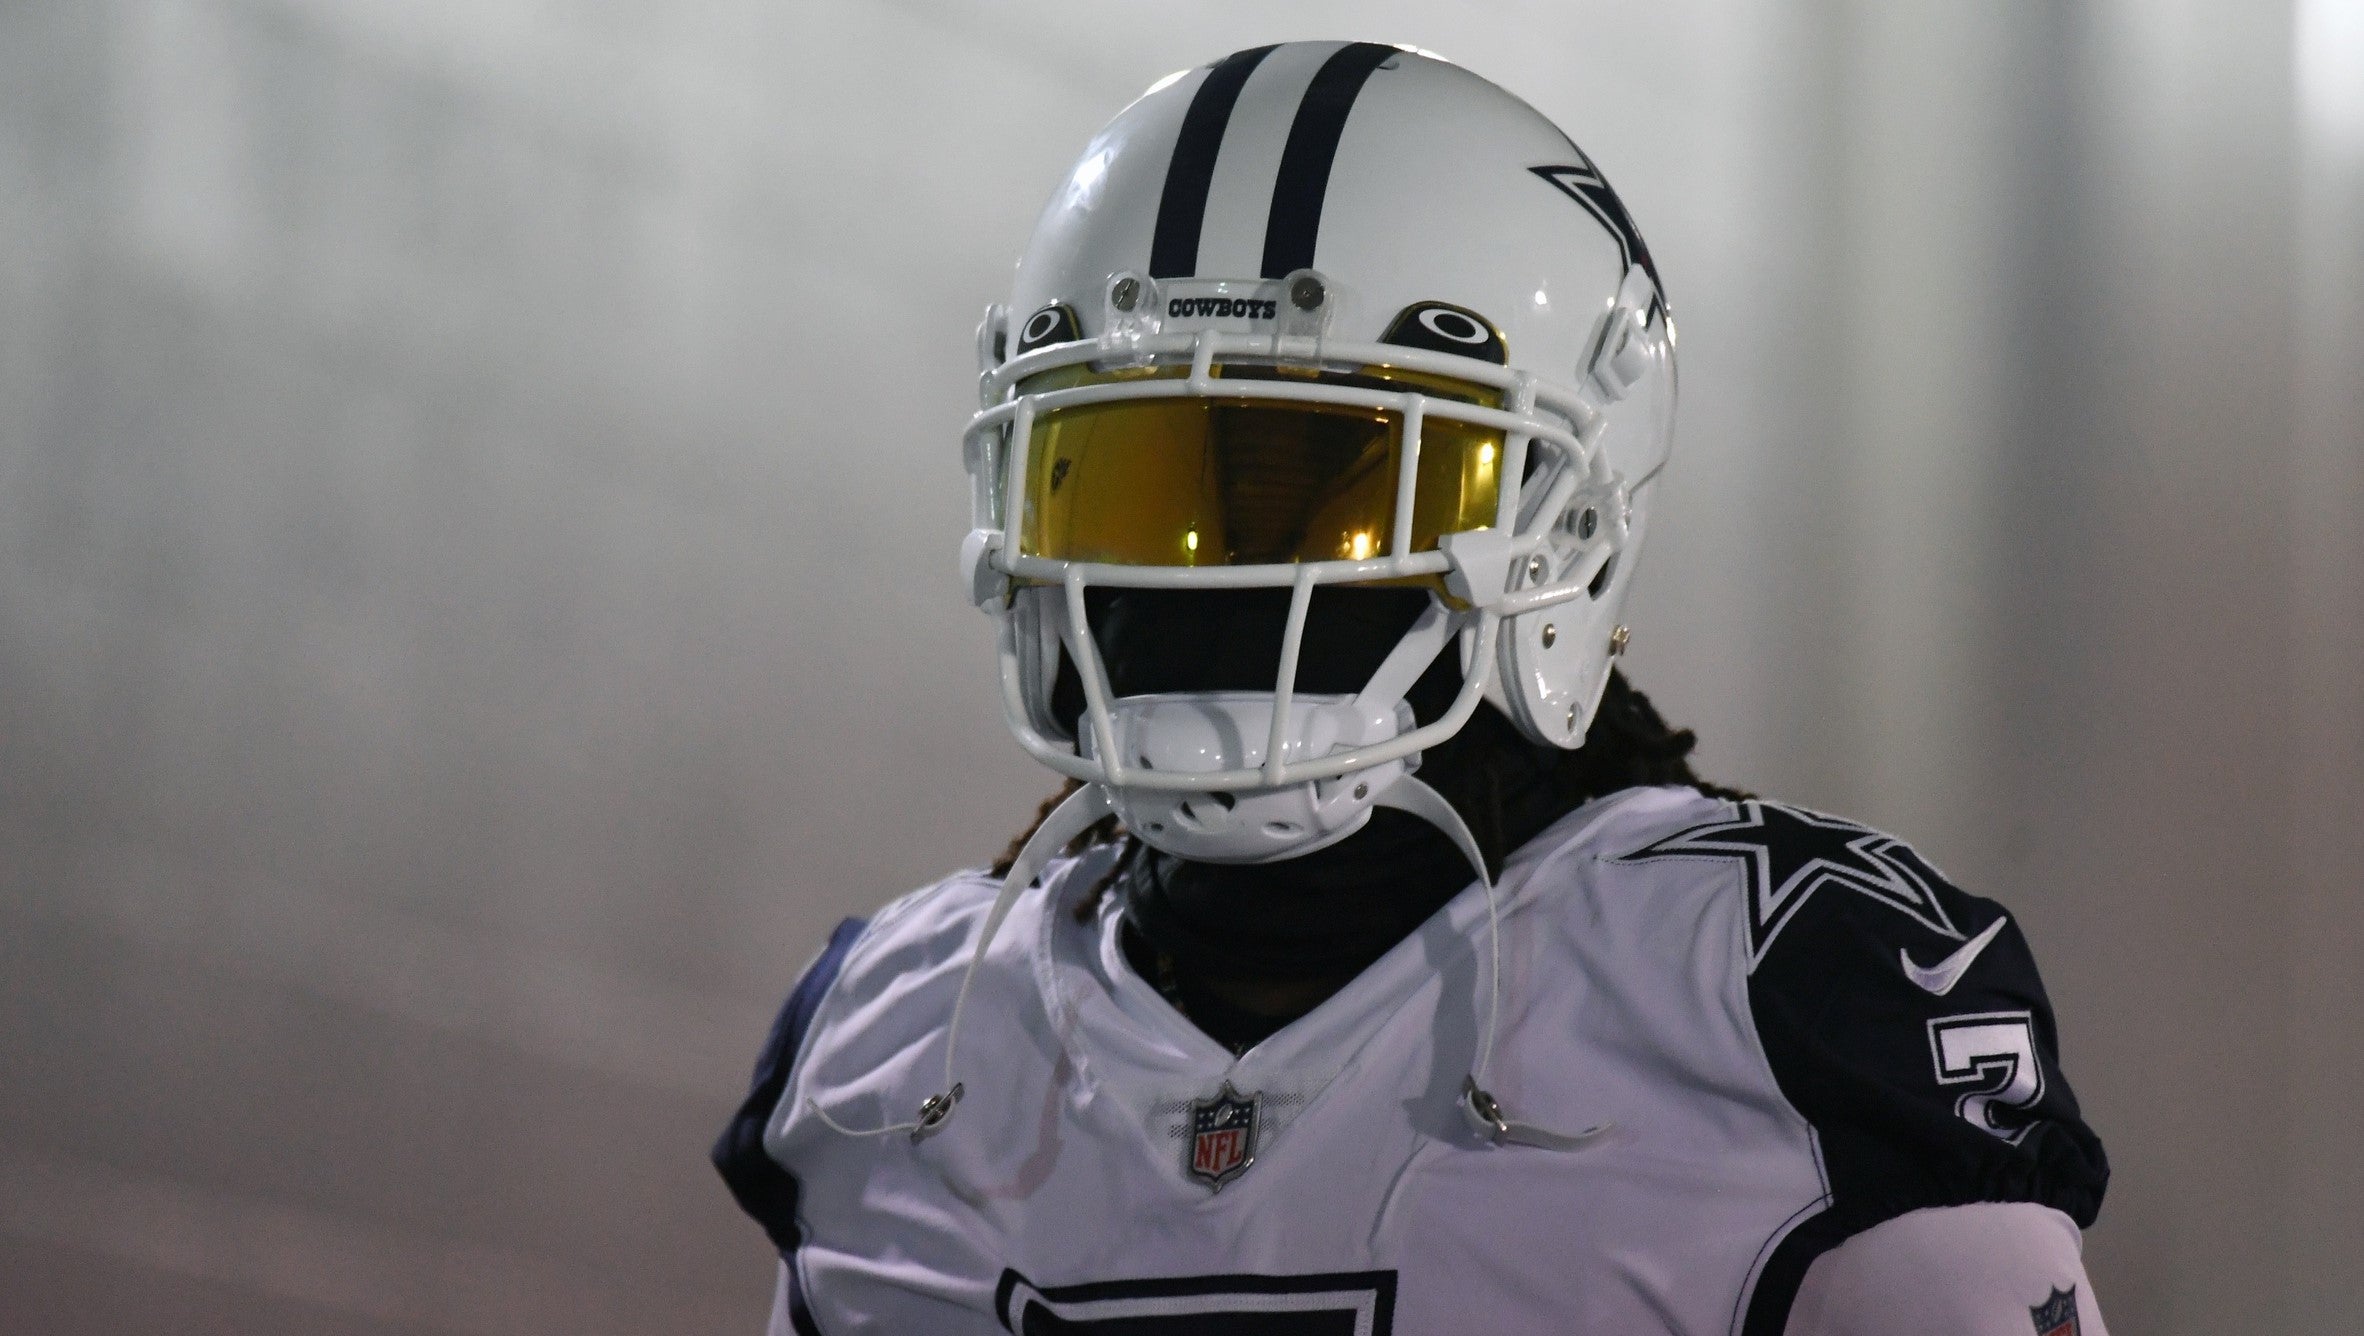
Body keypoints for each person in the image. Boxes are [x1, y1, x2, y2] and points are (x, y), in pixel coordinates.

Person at [714, 41, 2109, 1334]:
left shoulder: (1779, 993)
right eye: (1135, 485)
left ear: (1568, 519)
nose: (1213, 586)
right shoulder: (892, 1043)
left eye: (1341, 492)